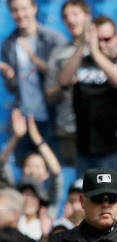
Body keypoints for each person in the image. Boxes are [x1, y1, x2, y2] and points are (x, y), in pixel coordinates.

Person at [59, 14, 117, 187]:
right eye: (98, 40)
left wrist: (95, 52)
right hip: (85, 149)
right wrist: (83, 44)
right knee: (86, 203)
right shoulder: (82, 62)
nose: (102, 44)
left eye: (107, 39)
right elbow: (64, 80)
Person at [0, 0, 66, 166]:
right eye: (14, 10)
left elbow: (63, 77)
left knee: (52, 169)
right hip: (22, 118)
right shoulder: (9, 43)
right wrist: (8, 75)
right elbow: (12, 87)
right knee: (24, 173)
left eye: (24, 9)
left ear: (34, 8)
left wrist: (33, 57)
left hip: (51, 118)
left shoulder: (53, 39)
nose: (20, 15)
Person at [45, 0, 92, 166]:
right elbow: (49, 95)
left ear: (87, 16)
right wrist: (64, 85)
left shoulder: (102, 46)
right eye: (65, 16)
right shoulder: (58, 53)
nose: (70, 20)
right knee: (74, 185)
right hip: (69, 130)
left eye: (75, 14)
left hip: (98, 129)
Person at [0, 108, 63, 210]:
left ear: (46, 174)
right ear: (22, 170)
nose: (33, 171)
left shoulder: (48, 203)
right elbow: (1, 165)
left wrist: (36, 137)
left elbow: (56, 172)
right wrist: (16, 137)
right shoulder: (14, 195)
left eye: (38, 167)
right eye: (28, 166)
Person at [16, 174, 51, 241]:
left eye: (33, 196)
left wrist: (45, 235)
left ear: (40, 201)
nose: (28, 200)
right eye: (25, 194)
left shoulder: (45, 226)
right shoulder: (11, 221)